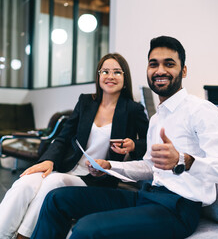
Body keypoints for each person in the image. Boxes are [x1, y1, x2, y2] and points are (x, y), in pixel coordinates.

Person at [30, 36, 218, 239]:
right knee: (57, 199)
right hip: (147, 196)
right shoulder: (157, 119)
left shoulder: (200, 110)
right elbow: (149, 168)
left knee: (86, 229)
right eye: (153, 64)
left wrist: (183, 160)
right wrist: (109, 167)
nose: (160, 70)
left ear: (183, 70)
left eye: (169, 64)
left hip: (178, 208)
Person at [0, 53, 149, 239]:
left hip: (94, 179)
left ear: (125, 78)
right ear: (98, 76)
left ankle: (24, 236)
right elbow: (63, 137)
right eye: (105, 71)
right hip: (65, 167)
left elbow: (148, 144)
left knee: (53, 183)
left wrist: (134, 145)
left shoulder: (133, 110)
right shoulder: (86, 102)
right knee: (24, 183)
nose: (110, 76)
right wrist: (48, 160)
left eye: (117, 72)